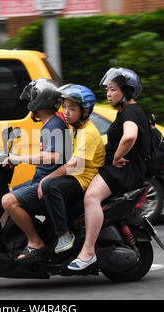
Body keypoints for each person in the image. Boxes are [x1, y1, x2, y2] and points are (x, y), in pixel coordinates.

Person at [67, 68, 150, 271]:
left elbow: (129, 136)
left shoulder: (131, 111)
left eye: (113, 90)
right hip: (122, 168)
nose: (109, 94)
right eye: (107, 90)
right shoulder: (126, 111)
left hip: (123, 171)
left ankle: (87, 252)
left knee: (91, 198)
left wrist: (117, 157)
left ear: (127, 91)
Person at [1, 78, 70, 261]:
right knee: (7, 192)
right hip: (42, 178)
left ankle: (35, 241)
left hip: (49, 182)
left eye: (31, 97)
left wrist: (20, 159)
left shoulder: (55, 124)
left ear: (39, 100)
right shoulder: (49, 124)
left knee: (9, 202)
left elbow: (54, 156)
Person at [38, 84, 105, 255]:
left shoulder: (87, 132)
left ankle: (64, 235)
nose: (66, 112)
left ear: (85, 111)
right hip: (77, 175)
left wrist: (47, 179)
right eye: (65, 107)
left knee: (49, 186)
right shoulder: (76, 129)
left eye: (72, 108)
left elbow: (74, 164)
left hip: (84, 179)